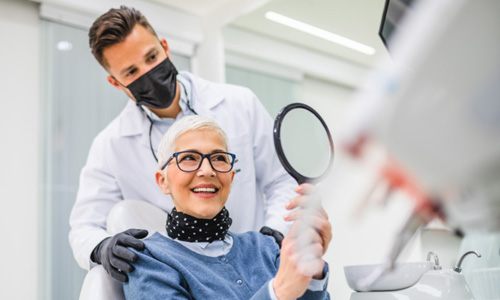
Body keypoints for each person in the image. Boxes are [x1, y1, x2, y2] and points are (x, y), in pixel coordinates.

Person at [69, 6, 297, 282]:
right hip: (183, 280)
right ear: (116, 83)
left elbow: (281, 181)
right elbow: (84, 226)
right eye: (131, 72)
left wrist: (274, 233)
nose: (148, 73)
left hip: (256, 265)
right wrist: (101, 247)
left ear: (165, 47)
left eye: (152, 57)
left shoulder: (240, 104)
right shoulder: (111, 145)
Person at [123, 115, 331, 299]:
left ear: (231, 177)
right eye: (189, 158)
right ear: (163, 181)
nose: (207, 170)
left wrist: (311, 274)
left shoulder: (266, 248)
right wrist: (277, 293)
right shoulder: (147, 261)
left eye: (219, 159)